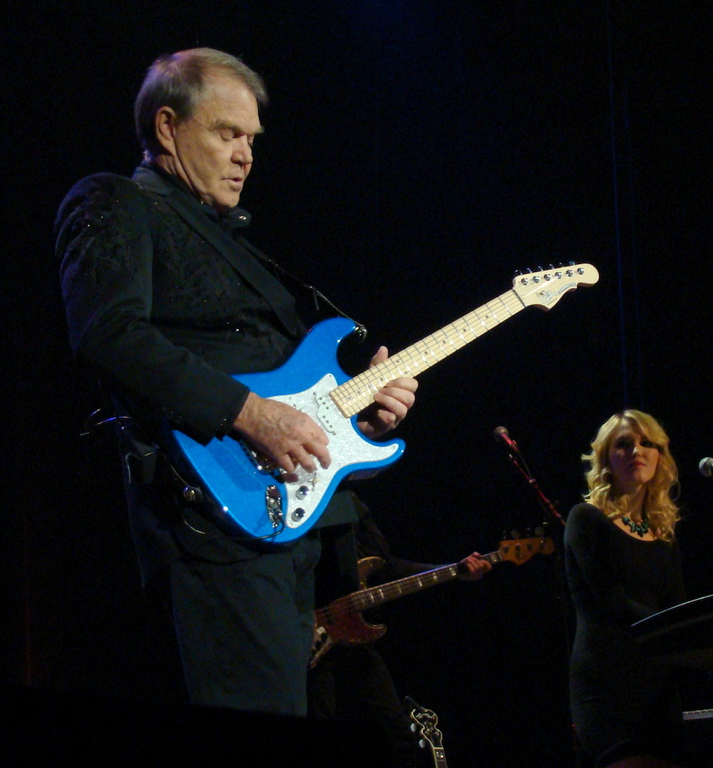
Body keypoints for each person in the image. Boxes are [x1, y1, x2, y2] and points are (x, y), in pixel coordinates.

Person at [55, 47, 418, 718]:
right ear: (167, 127)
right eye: (227, 134)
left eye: (251, 139)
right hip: (213, 526)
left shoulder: (238, 241)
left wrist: (359, 419)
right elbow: (109, 334)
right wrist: (251, 415)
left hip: (295, 528)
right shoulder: (117, 201)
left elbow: (288, 391)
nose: (246, 155)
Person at [310, 493, 491, 767]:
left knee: (396, 737)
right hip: (309, 638)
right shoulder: (303, 498)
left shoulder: (353, 504)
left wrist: (454, 571)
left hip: (355, 640)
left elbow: (385, 567)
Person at [564, 410, 687, 768]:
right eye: (624, 443)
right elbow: (612, 603)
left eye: (647, 443)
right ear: (606, 458)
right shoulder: (585, 518)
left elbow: (676, 604)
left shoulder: (665, 533)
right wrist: (680, 627)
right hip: (606, 679)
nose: (637, 450)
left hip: (658, 686)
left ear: (659, 456)